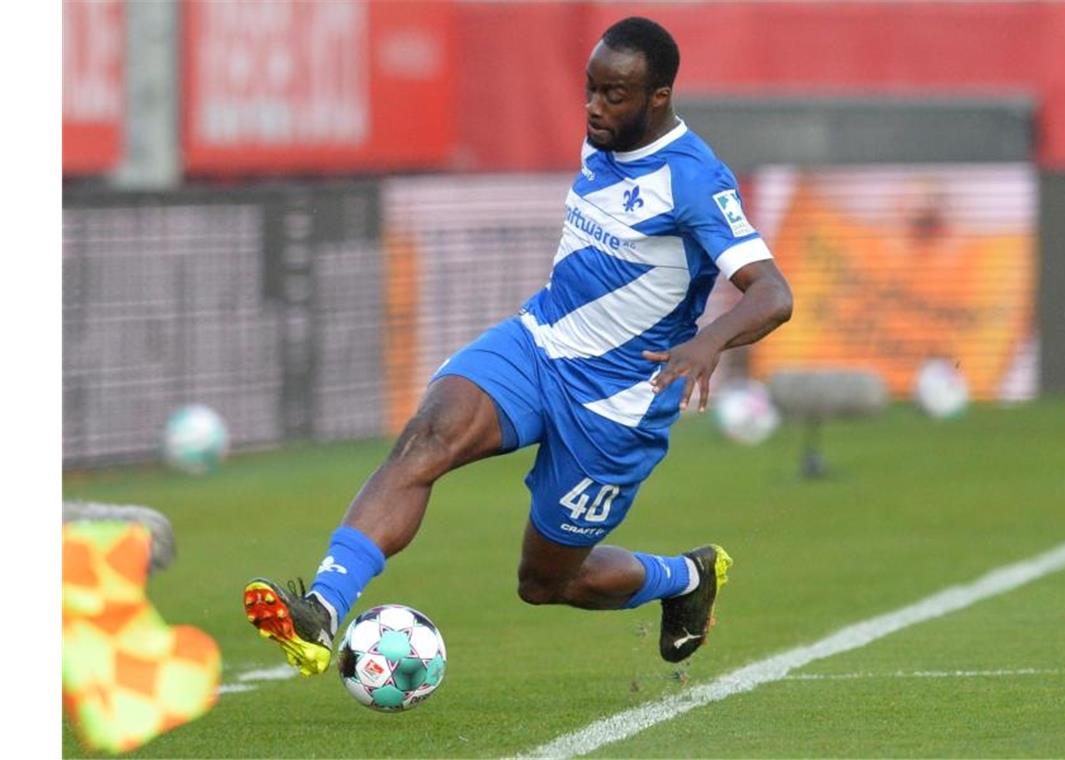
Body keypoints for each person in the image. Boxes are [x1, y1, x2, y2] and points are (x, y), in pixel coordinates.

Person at [243, 16, 793, 676]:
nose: (593, 106)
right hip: (537, 345)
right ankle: (323, 609)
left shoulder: (696, 179)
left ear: (659, 97)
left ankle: (683, 578)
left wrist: (709, 342)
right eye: (589, 88)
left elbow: (773, 294)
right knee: (428, 436)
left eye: (613, 94)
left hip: (617, 403)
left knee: (546, 582)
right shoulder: (605, 137)